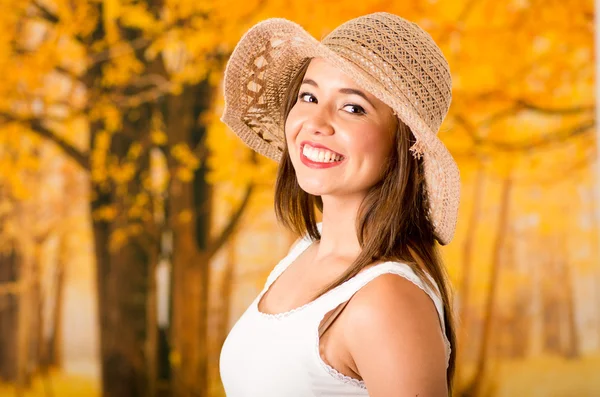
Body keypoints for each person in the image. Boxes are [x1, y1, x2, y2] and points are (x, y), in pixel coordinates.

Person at [219, 12, 461, 397]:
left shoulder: (386, 301)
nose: (316, 122)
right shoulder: (303, 252)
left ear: (404, 143)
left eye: (353, 108)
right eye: (309, 96)